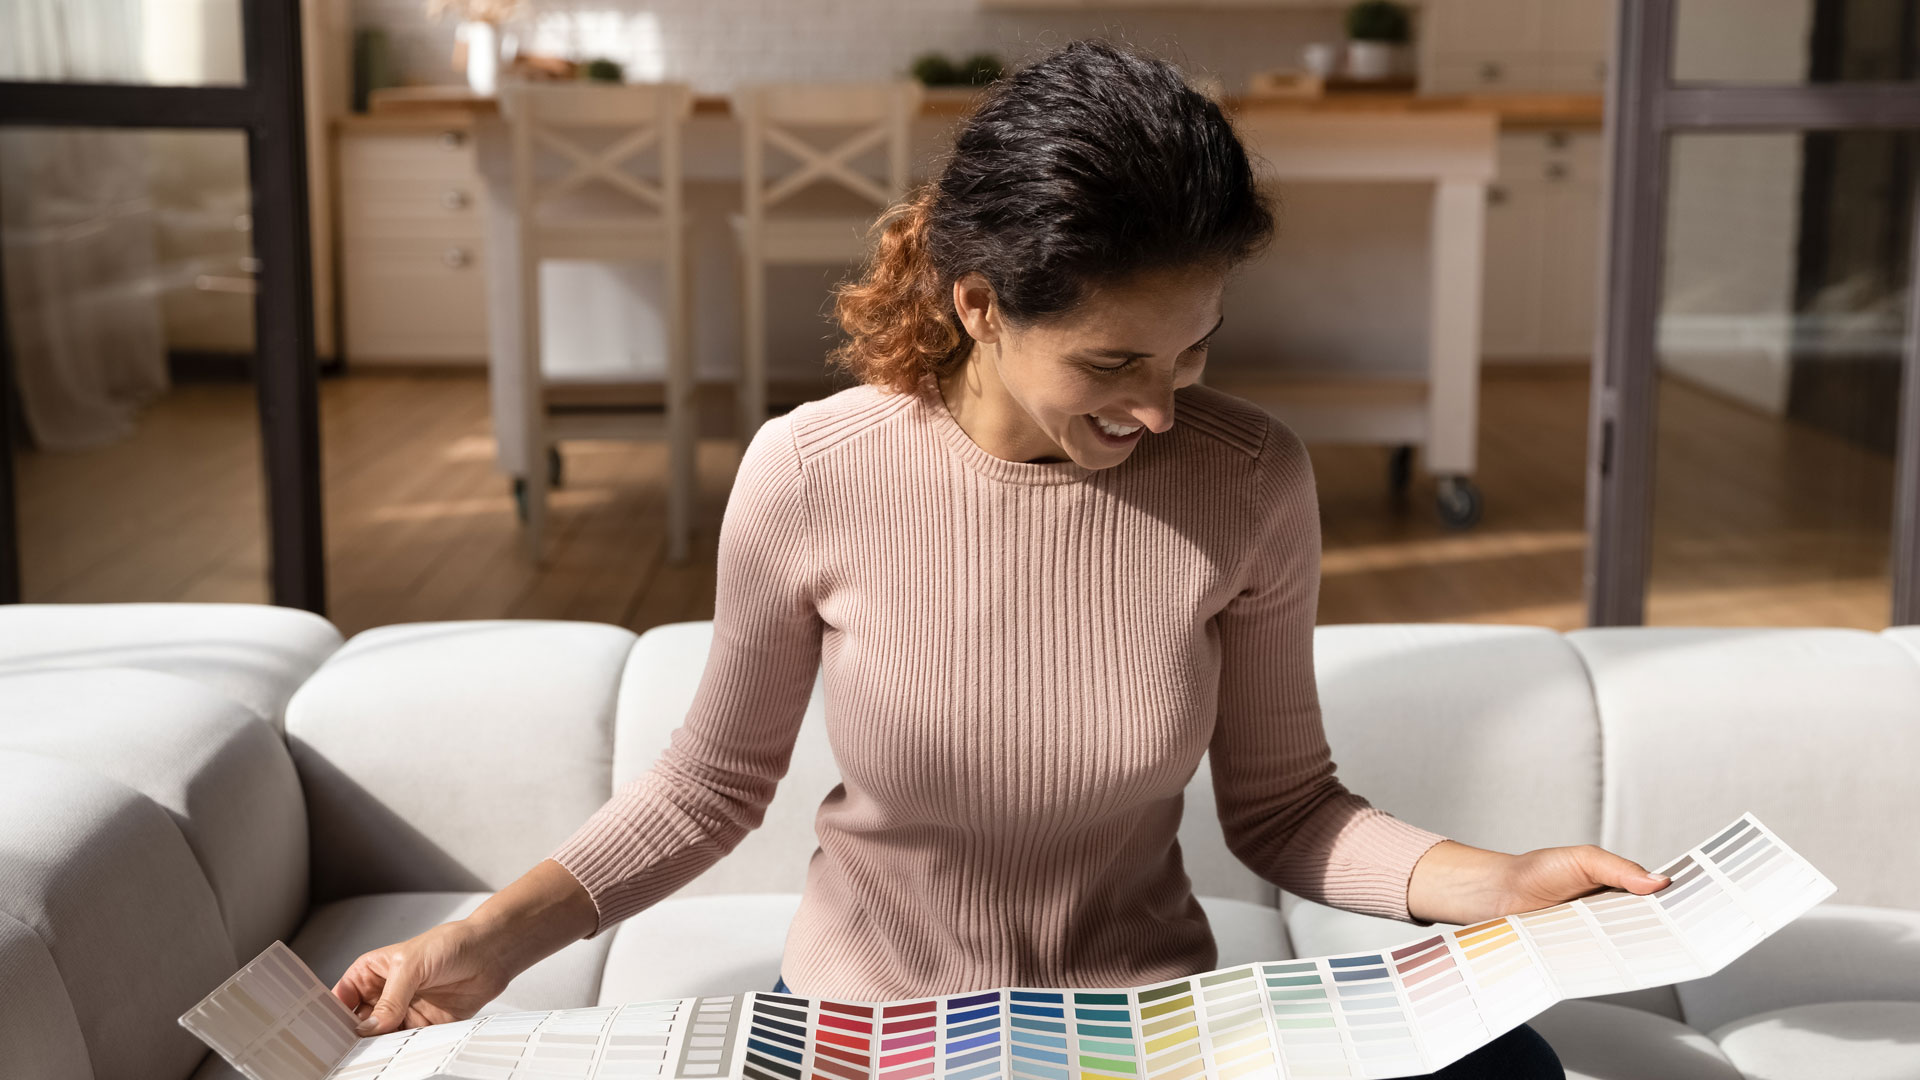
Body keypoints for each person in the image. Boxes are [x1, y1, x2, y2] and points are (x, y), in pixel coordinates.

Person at [332, 39, 1669, 1079]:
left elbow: (1285, 809)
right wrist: (474, 947)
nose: (1159, 406)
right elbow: (706, 792)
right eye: (1111, 362)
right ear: (980, 305)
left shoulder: (1248, 476)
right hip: (880, 1036)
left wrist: (1493, 884)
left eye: (1193, 349)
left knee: (1512, 1068)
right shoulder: (814, 470)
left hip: (1141, 1032)